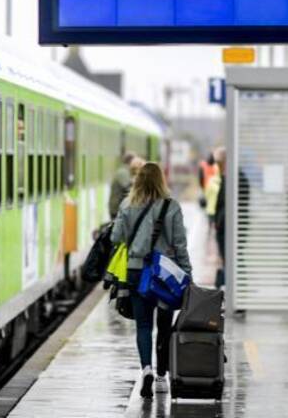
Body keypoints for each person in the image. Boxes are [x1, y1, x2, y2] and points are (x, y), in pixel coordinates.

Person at [110, 162, 191, 398]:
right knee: (164, 325)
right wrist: (187, 275)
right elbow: (180, 245)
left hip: (137, 272)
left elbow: (116, 238)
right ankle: (161, 376)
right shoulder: (172, 206)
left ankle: (146, 368)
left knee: (143, 325)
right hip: (165, 276)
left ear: (137, 180)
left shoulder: (127, 205)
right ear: (161, 180)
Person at [213, 147, 249, 290]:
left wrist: (219, 221)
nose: (217, 166)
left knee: (233, 258)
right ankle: (235, 290)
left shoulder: (234, 178)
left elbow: (229, 205)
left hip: (230, 227)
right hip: (226, 226)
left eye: (219, 162)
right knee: (231, 259)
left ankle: (237, 291)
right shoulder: (230, 177)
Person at [108, 152, 137, 219]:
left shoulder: (125, 171)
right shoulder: (123, 172)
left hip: (118, 208)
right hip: (117, 209)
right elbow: (128, 188)